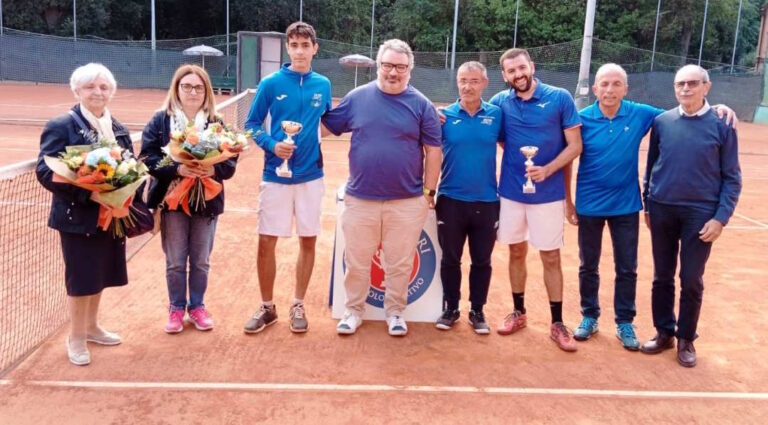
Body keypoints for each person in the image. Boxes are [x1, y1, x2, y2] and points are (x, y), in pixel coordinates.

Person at [572, 63, 738, 351]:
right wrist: (567, 202)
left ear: (626, 88)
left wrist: (720, 107)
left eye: (616, 84)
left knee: (628, 268)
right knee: (589, 265)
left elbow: (687, 114)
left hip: (626, 205)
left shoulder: (645, 115)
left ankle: (625, 321)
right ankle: (590, 316)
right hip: (590, 204)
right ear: (595, 88)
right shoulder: (581, 119)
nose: (609, 90)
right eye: (604, 84)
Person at [322, 39, 442, 336]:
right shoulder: (357, 98)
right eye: (388, 65)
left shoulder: (422, 105)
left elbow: (434, 150)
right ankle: (352, 311)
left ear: (409, 70)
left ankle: (396, 312)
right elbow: (324, 127)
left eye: (400, 67)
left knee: (399, 264)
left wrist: (429, 192)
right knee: (357, 261)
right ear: (379, 66)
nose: (393, 72)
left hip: (406, 201)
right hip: (360, 199)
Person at [640, 65, 741, 367]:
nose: (685, 89)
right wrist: (648, 204)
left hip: (700, 214)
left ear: (706, 87)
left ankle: (686, 338)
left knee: (691, 278)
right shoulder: (662, 121)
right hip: (662, 209)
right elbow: (651, 166)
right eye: (680, 84)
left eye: (692, 83)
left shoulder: (723, 124)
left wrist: (720, 218)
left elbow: (732, 177)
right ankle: (664, 332)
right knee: (662, 275)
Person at [36, 63, 130, 366]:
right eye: (90, 87)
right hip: (78, 218)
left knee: (100, 273)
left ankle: (91, 327)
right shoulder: (61, 125)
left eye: (103, 87)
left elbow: (130, 167)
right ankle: (75, 337)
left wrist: (123, 193)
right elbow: (46, 171)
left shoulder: (117, 128)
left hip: (110, 214)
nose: (97, 92)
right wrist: (88, 193)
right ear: (77, 90)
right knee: (81, 277)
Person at [490, 48, 582, 352]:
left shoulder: (560, 98)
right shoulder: (500, 102)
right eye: (511, 72)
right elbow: (498, 136)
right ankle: (519, 312)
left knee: (551, 256)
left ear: (532, 66)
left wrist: (548, 170)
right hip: (512, 193)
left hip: (550, 194)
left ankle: (557, 322)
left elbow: (575, 145)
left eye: (521, 68)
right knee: (516, 252)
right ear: (504, 76)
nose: (518, 75)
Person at [243, 22, 331, 334]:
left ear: (314, 49)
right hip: (275, 175)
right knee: (266, 241)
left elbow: (331, 119)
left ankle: (298, 303)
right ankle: (267, 307)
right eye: (293, 45)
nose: (299, 51)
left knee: (308, 239)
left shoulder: (324, 84)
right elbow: (251, 123)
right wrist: (271, 144)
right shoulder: (270, 83)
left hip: (310, 176)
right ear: (287, 48)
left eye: (305, 45)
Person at [140, 64, 238, 334]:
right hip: (171, 202)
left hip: (206, 202)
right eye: (187, 86)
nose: (193, 92)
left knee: (201, 259)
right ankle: (175, 308)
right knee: (175, 260)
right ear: (177, 89)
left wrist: (213, 168)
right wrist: (177, 168)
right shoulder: (160, 121)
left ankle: (197, 306)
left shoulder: (218, 125)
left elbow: (230, 164)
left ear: (206, 92)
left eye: (198, 87)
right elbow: (147, 158)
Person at [433, 61, 502, 335]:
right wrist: (427, 189)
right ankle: (451, 307)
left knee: (482, 260)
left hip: (487, 201)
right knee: (451, 259)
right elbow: (430, 153)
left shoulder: (497, 115)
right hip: (450, 199)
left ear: (485, 84)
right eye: (463, 80)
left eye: (474, 81)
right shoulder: (443, 116)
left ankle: (477, 310)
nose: (468, 86)